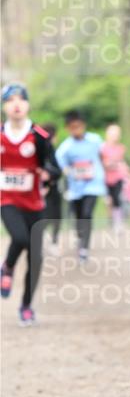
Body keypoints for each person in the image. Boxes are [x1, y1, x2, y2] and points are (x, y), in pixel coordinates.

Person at [1, 83, 60, 324]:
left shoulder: (39, 136)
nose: (16, 104)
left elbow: (56, 168)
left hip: (35, 203)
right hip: (7, 200)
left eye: (21, 99)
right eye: (10, 100)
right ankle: (8, 267)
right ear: (5, 106)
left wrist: (48, 173)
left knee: (36, 258)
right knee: (21, 238)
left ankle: (26, 306)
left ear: (27, 105)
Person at [55, 110, 106, 263]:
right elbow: (61, 166)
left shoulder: (95, 140)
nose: (76, 130)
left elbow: (102, 155)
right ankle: (80, 237)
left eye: (78, 126)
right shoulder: (65, 147)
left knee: (87, 213)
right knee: (78, 216)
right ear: (67, 128)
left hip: (93, 184)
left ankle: (84, 247)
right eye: (72, 127)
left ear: (83, 126)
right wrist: (71, 171)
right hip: (75, 187)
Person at [101, 123, 127, 229]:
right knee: (108, 200)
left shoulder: (121, 148)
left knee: (117, 199)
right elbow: (101, 162)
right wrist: (106, 164)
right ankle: (110, 220)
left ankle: (118, 222)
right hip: (105, 178)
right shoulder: (102, 148)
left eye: (117, 134)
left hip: (118, 177)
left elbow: (121, 161)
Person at [41, 121, 62, 251]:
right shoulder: (44, 148)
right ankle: (47, 240)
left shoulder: (50, 149)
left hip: (52, 188)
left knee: (55, 216)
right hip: (42, 190)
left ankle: (53, 241)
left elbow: (56, 171)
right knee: (49, 217)